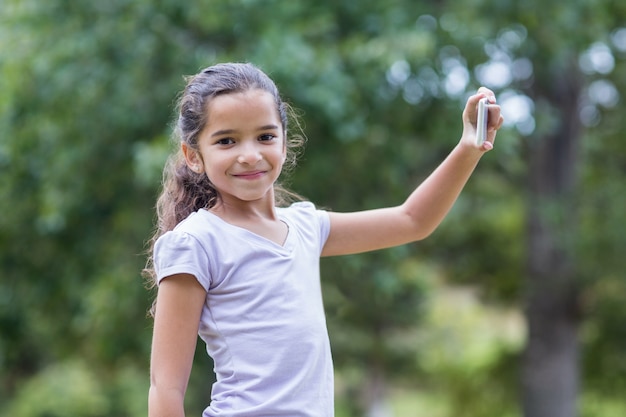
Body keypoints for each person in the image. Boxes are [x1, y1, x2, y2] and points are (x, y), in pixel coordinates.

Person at [145, 62, 504, 417]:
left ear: (285, 143)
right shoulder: (195, 242)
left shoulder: (305, 226)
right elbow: (165, 387)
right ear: (194, 156)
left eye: (266, 136)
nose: (250, 154)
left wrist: (469, 147)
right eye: (226, 141)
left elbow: (412, 220)